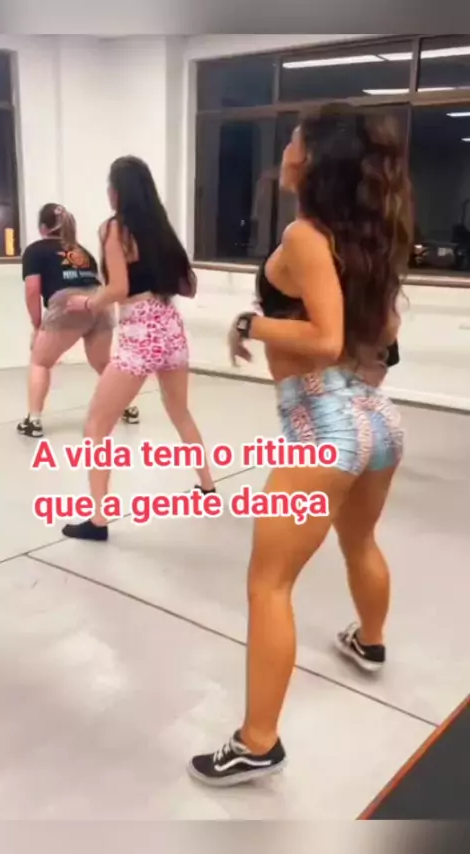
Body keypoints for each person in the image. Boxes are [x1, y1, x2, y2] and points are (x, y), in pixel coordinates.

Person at [188, 104, 412, 787]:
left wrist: (250, 324)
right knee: (360, 541)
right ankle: (369, 641)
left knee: (269, 584)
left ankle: (258, 742)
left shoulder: (306, 235)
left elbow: (324, 337)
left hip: (323, 425)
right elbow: (381, 338)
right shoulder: (366, 238)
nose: (283, 147)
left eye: (292, 139)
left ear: (310, 159)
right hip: (377, 418)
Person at [61, 156, 215, 542]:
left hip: (140, 333)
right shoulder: (161, 228)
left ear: (117, 192)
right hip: (170, 326)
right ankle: (207, 487)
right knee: (179, 411)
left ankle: (98, 520)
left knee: (97, 424)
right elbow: (188, 286)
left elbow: (117, 288)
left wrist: (87, 303)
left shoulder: (114, 228)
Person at [17, 204, 139, 438]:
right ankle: (128, 408)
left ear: (43, 228)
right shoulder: (81, 250)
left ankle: (33, 421)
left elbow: (32, 290)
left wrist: (37, 324)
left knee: (40, 362)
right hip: (99, 304)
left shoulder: (35, 250)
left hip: (68, 304)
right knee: (103, 363)